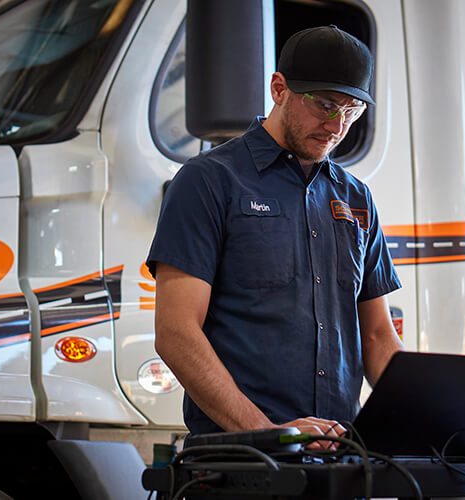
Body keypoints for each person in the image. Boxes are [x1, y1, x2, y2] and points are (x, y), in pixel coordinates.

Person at [146, 26, 404, 448]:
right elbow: (176, 332)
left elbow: (376, 337)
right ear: (279, 89)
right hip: (246, 463)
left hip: (339, 457)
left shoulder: (356, 198)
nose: (337, 125)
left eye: (352, 110)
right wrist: (269, 434)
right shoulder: (209, 181)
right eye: (324, 105)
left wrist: (431, 418)